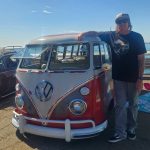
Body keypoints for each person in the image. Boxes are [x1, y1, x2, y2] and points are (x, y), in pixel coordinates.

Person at [79, 13, 146, 143]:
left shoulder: (137, 37)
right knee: (120, 106)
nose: (121, 24)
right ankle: (120, 133)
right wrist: (84, 33)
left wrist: (140, 79)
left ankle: (131, 129)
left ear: (129, 22)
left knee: (133, 105)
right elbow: (96, 33)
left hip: (134, 79)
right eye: (118, 21)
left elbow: (141, 60)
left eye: (124, 21)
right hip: (118, 78)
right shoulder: (111, 36)